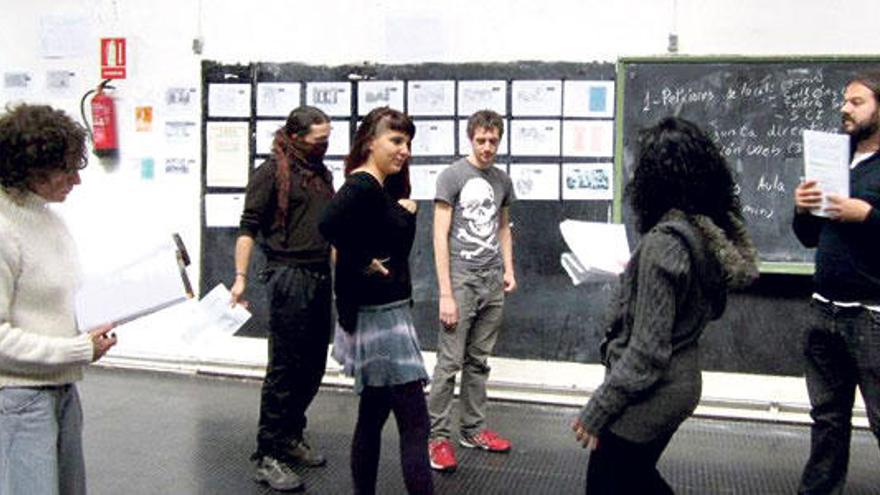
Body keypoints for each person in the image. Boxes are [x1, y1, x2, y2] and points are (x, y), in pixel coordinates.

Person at [572, 116, 759, 494]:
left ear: (654, 179)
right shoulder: (698, 233)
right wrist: (638, 276)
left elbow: (646, 353)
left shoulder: (663, 244)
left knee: (608, 483)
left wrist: (596, 411)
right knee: (637, 479)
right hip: (682, 381)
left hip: (656, 389)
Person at [0, 103, 117, 495]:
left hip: (61, 389)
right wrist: (77, 350)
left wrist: (88, 333)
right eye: (67, 169)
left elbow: (53, 300)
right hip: (17, 397)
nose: (77, 181)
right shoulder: (3, 229)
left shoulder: (49, 219)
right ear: (29, 168)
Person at [319, 106, 433, 495]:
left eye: (408, 143)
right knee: (416, 424)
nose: (404, 150)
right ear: (371, 142)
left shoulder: (378, 188)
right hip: (382, 321)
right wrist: (361, 259)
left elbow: (392, 246)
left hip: (383, 314)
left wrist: (405, 214)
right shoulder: (363, 185)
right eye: (396, 141)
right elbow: (328, 224)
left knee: (372, 416)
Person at [230, 106, 334, 491]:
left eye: (328, 139)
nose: (325, 146)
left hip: (320, 274)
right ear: (295, 137)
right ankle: (267, 454)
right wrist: (240, 278)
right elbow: (247, 228)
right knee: (285, 368)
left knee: (313, 367)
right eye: (318, 140)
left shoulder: (321, 174)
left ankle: (291, 435)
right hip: (287, 275)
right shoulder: (271, 172)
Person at [793, 72, 880, 495]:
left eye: (857, 102)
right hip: (823, 309)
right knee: (827, 420)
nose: (845, 108)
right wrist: (803, 208)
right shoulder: (834, 158)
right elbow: (810, 237)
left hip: (872, 315)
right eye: (845, 101)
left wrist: (868, 216)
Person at [426, 109, 516, 472]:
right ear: (470, 139)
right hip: (461, 280)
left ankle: (473, 430)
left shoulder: (502, 180)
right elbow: (439, 235)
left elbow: (503, 228)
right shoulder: (452, 176)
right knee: (449, 364)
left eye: (493, 141)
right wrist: (446, 293)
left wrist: (509, 269)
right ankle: (437, 439)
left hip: (492, 279)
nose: (487, 147)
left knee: (478, 363)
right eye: (481, 140)